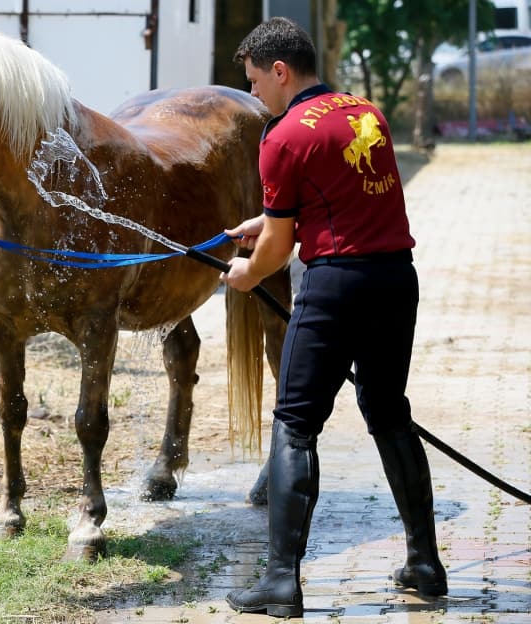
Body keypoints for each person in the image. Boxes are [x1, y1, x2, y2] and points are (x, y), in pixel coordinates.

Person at [220, 17, 447, 618]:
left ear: (279, 70)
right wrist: (260, 224)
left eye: (253, 83)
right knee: (389, 411)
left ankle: (279, 582)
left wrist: (247, 273)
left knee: (295, 424)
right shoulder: (364, 111)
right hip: (396, 278)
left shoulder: (283, 134)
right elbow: (333, 197)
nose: (253, 96)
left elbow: (277, 252)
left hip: (335, 286)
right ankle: (425, 561)